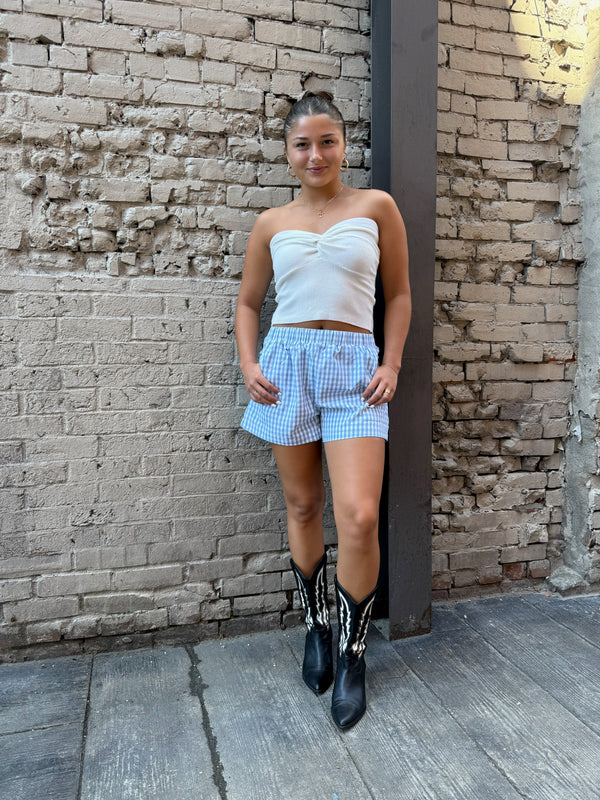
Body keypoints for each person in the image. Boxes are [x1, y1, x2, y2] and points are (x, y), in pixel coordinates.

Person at [234, 91, 411, 731]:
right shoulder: (271, 223)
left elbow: (398, 295)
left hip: (354, 371)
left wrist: (390, 364)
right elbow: (250, 302)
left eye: (327, 141)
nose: (316, 154)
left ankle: (352, 650)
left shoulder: (376, 208)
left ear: (344, 144)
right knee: (303, 505)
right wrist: (250, 365)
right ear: (287, 152)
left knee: (359, 516)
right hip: (286, 368)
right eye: (303, 144)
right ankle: (315, 627)